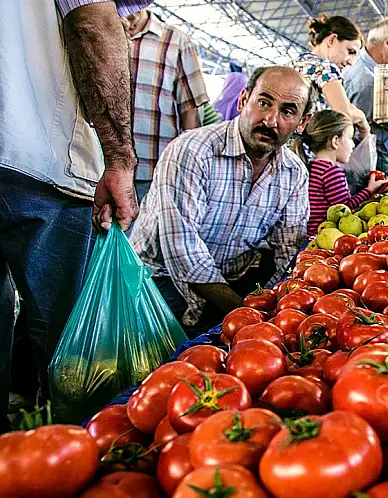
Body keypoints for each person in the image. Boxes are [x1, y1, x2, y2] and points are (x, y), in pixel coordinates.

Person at [0, 0, 144, 429]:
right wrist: (120, 157)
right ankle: (74, 454)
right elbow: (92, 24)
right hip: (35, 158)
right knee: (70, 346)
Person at [130, 67, 312, 336]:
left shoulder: (294, 174)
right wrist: (249, 317)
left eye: (287, 111)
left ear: (302, 123)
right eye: (263, 102)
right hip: (158, 280)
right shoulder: (192, 151)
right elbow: (183, 250)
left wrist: (278, 309)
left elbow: (289, 251)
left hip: (227, 281)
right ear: (242, 100)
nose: (271, 120)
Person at [122, 9, 210, 203]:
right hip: (95, 166)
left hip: (153, 168)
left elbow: (190, 110)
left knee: (141, 231)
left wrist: (188, 169)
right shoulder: (101, 31)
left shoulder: (175, 41)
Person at [295, 111, 388, 236]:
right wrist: (369, 190)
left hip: (311, 234)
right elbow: (344, 210)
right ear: (335, 141)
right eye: (350, 138)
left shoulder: (311, 167)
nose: (353, 145)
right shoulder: (332, 172)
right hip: (326, 237)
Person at [343, 17, 388, 174]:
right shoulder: (368, 82)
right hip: (369, 159)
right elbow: (361, 133)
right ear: (387, 43)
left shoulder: (364, 69)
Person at [292, 14, 370, 136]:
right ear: (332, 40)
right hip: (304, 149)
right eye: (350, 52)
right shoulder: (325, 67)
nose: (351, 61)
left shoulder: (296, 63)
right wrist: (363, 123)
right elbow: (343, 118)